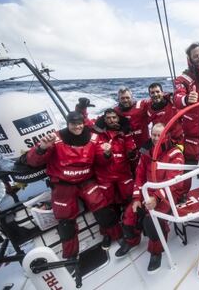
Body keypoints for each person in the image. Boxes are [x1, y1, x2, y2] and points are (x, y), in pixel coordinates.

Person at [26, 111, 121, 258]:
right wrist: (41, 148)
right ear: (67, 123)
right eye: (73, 124)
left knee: (103, 209)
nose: (77, 127)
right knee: (65, 223)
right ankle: (70, 256)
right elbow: (32, 161)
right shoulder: (54, 139)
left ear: (83, 123)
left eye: (80, 124)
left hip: (86, 182)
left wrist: (107, 154)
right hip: (63, 186)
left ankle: (115, 236)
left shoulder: (93, 138)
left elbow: (102, 162)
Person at [115, 123, 185, 273]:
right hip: (148, 191)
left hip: (168, 194)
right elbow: (139, 176)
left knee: (152, 221)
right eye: (153, 134)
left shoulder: (176, 154)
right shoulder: (146, 152)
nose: (155, 138)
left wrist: (156, 198)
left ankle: (156, 252)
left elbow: (173, 183)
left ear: (166, 135)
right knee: (129, 214)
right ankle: (132, 241)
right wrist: (136, 198)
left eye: (159, 135)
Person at [94, 108, 137, 246]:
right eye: (109, 118)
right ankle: (109, 233)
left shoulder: (125, 133)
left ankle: (132, 227)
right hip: (104, 176)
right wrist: (105, 154)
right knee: (106, 205)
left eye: (114, 117)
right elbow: (96, 154)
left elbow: (132, 149)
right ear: (104, 120)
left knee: (131, 198)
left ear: (118, 119)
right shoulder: (97, 134)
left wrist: (132, 153)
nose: (112, 120)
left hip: (123, 174)